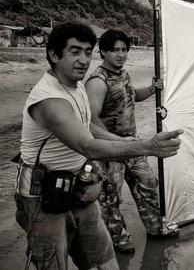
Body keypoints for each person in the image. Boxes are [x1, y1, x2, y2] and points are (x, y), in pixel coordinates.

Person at [14, 21, 183, 269]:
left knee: (104, 261)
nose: (83, 59)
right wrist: (147, 146)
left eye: (87, 51)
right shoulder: (50, 99)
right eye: (74, 51)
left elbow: (87, 125)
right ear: (53, 54)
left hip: (79, 188)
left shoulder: (77, 86)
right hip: (44, 196)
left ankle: (153, 227)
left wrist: (117, 149)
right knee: (52, 264)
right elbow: (88, 144)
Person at [85, 29, 169, 254]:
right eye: (115, 50)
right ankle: (119, 238)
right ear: (103, 51)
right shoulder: (97, 81)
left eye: (124, 50)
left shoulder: (123, 74)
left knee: (149, 185)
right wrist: (116, 144)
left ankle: (156, 227)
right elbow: (90, 121)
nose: (121, 55)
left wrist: (152, 89)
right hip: (110, 149)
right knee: (111, 197)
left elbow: (132, 96)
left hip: (134, 145)